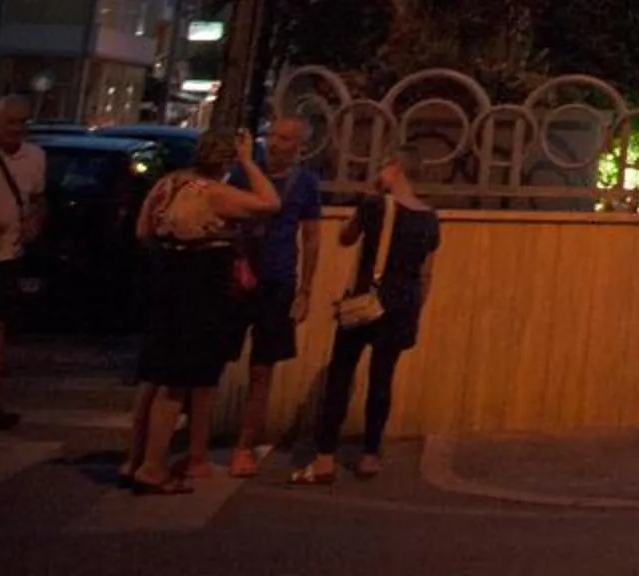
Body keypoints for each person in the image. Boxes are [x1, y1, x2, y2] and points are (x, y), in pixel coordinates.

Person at [122, 128, 279, 493]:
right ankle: (153, 467)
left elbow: (142, 231)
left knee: (153, 375)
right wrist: (248, 161)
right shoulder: (213, 192)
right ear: (224, 162)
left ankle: (133, 459)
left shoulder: (168, 184)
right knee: (178, 379)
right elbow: (270, 203)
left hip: (164, 276)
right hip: (198, 284)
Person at [287, 159, 442, 486]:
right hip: (402, 304)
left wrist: (371, 193)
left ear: (396, 171)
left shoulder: (376, 206)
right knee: (382, 378)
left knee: (341, 373)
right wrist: (415, 309)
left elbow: (345, 237)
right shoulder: (429, 218)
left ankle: (325, 456)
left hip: (365, 300)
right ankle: (370, 453)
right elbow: (426, 273)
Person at [230, 115, 325, 477]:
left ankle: (244, 445)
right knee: (212, 356)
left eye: (284, 139)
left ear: (299, 146)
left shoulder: (305, 183)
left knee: (262, 367)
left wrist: (305, 290)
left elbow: (312, 237)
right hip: (238, 278)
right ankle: (196, 445)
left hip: (276, 280)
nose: (274, 144)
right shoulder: (244, 174)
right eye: (272, 135)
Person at [0, 96, 46, 431]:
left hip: (6, 256)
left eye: (23, 122)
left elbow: (37, 197)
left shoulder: (35, 157)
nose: (18, 128)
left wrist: (34, 221)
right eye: (11, 122)